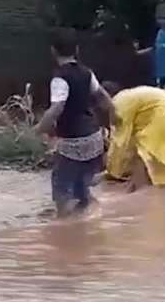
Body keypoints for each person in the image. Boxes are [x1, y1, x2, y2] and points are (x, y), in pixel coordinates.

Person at [33, 28, 115, 218]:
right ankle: (88, 223)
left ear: (53, 51)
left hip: (73, 141)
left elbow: (57, 108)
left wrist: (39, 128)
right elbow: (103, 96)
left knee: (61, 188)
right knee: (82, 186)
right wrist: (115, 116)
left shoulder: (59, 78)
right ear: (77, 49)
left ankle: (65, 229)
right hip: (94, 139)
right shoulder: (87, 72)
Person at [103, 83, 165, 193]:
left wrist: (112, 171)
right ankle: (153, 191)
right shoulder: (128, 97)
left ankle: (137, 191)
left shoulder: (117, 104)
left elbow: (120, 141)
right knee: (154, 160)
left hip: (164, 114)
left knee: (144, 155)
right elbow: (129, 141)